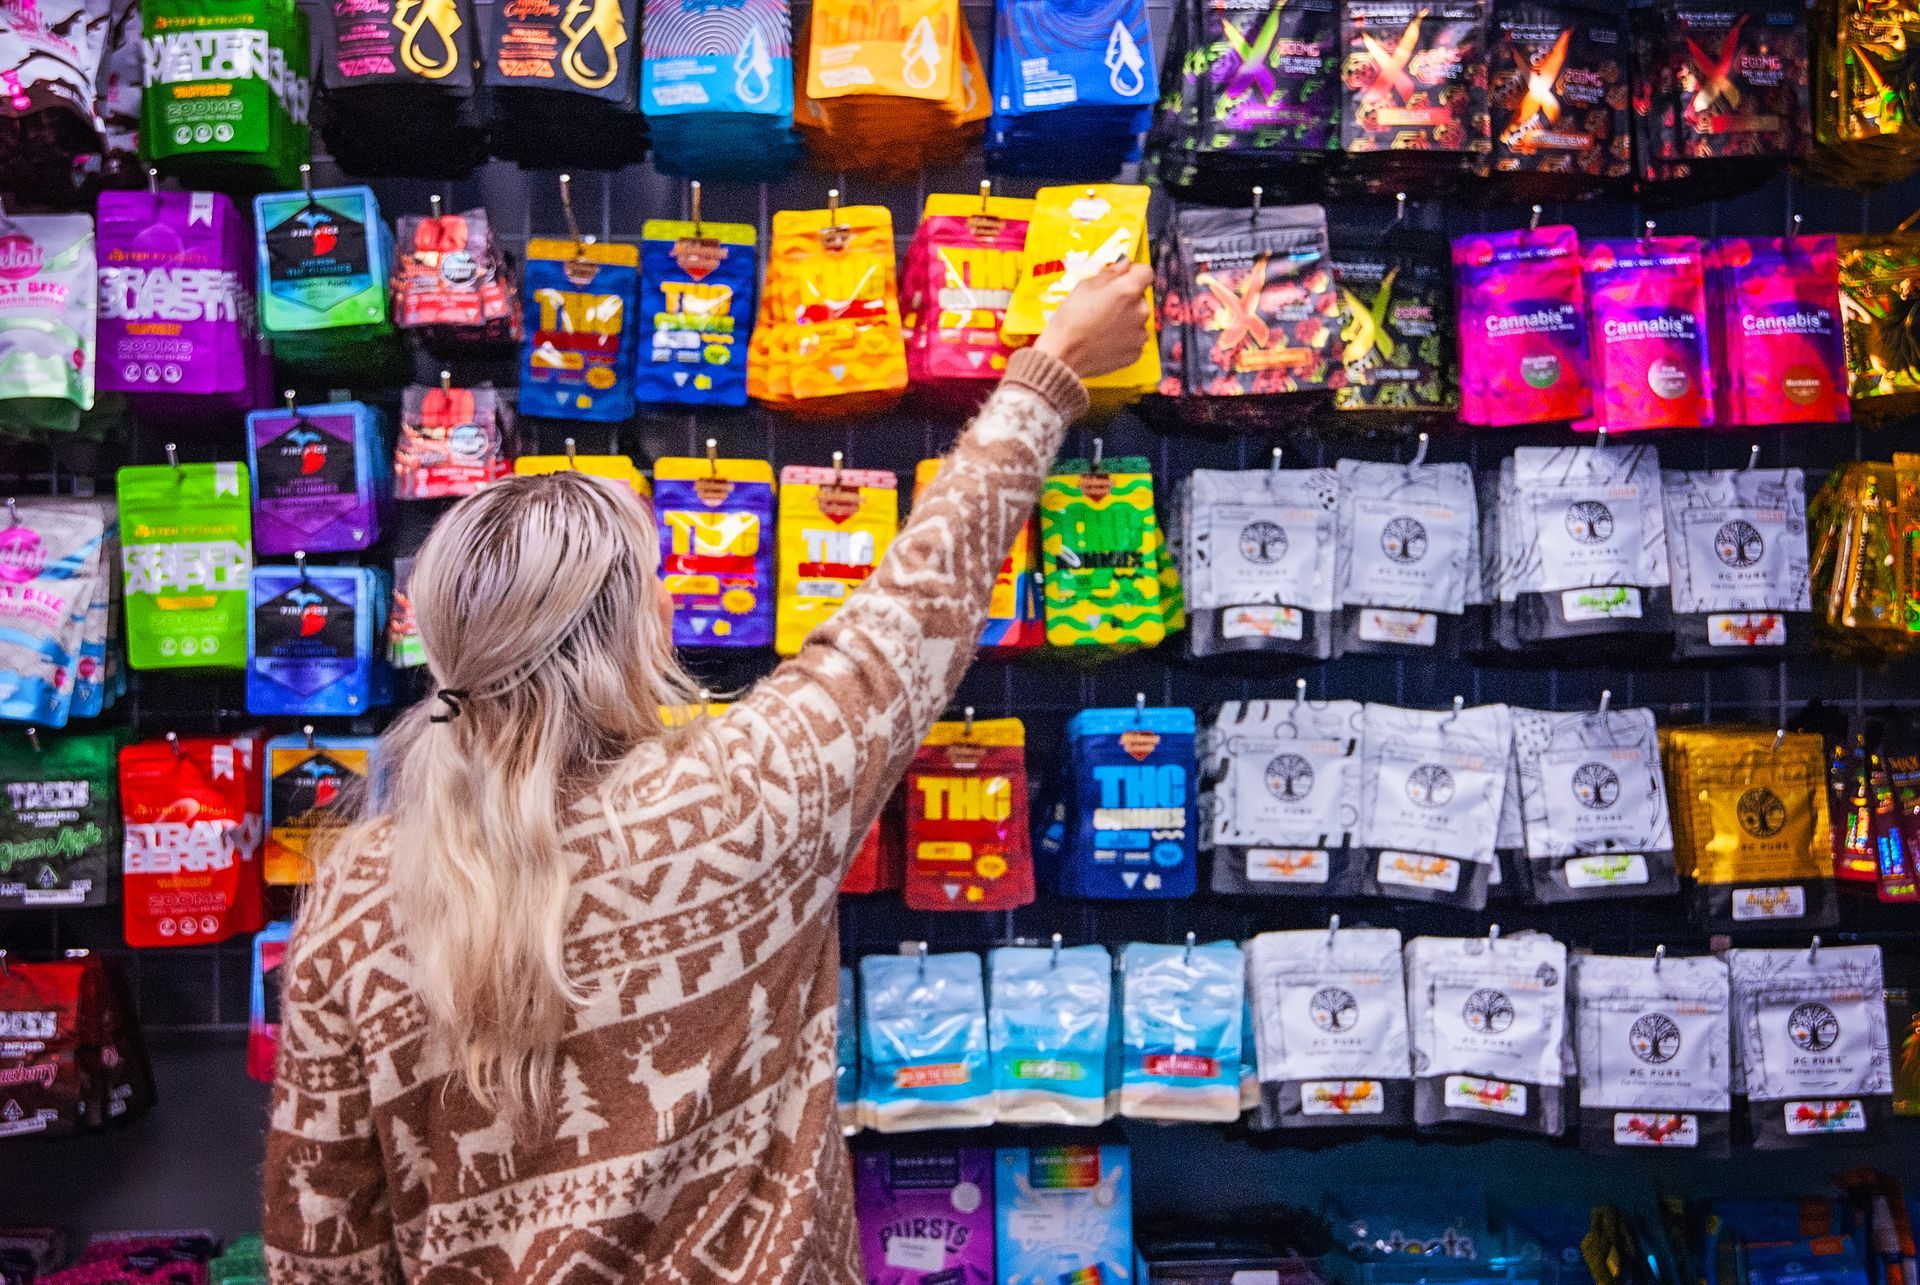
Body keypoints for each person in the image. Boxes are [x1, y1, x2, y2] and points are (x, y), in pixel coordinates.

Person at [262, 261, 1156, 1283]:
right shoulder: (744, 799)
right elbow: (923, 601)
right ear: (639, 630)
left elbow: (320, 1247)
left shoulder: (354, 901)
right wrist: (1049, 371)